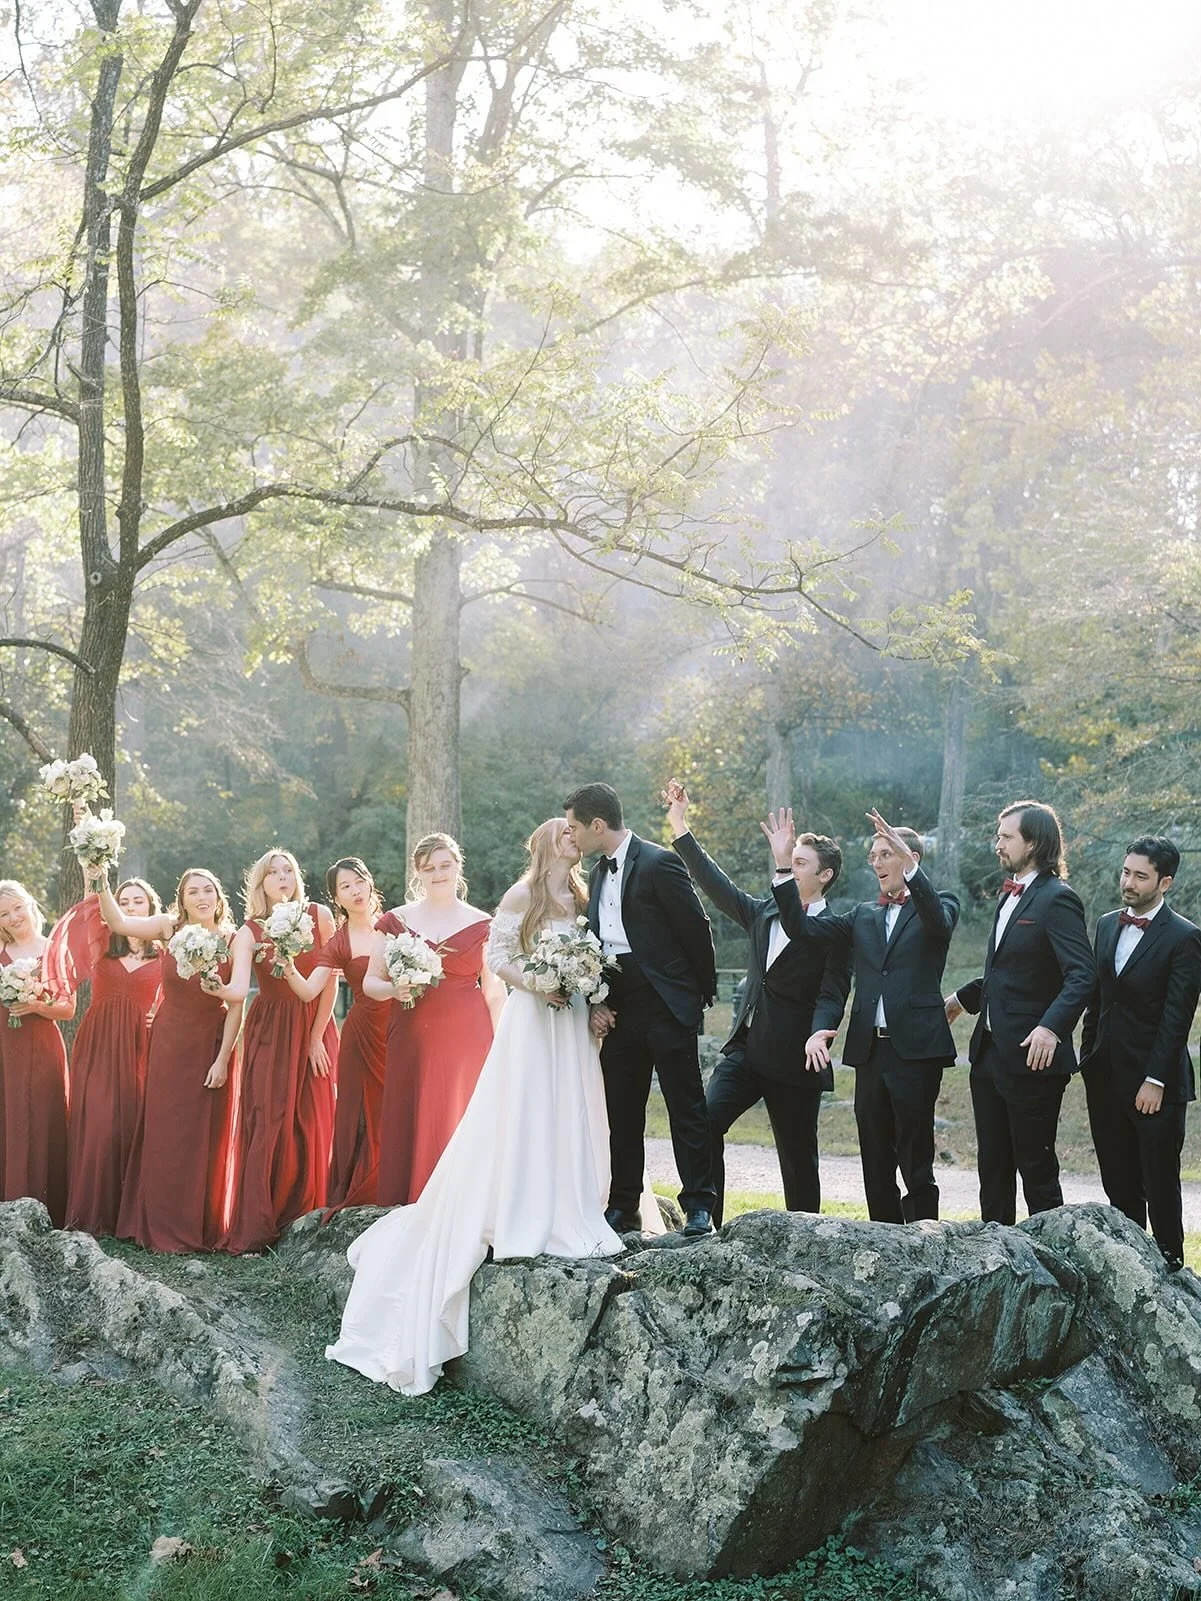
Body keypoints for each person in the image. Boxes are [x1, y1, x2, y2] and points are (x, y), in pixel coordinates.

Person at [327, 818, 626, 1394]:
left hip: (568, 1017)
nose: (573, 839)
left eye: (448, 864)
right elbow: (504, 959)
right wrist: (542, 984)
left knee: (571, 1107)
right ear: (543, 843)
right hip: (536, 1012)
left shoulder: (583, 893)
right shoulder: (522, 893)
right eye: (563, 833)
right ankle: (518, 1204)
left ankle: (571, 1199)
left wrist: (591, 994)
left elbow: (583, 956)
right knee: (521, 1115)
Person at [664, 780, 851, 1226]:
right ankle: (709, 1220)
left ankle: (806, 1239)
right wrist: (679, 824)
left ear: (824, 875)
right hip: (746, 1050)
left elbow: (832, 993)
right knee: (706, 1121)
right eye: (790, 859)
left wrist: (819, 1033)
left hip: (797, 1058)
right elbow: (716, 885)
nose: (789, 865)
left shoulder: (838, 930)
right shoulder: (764, 912)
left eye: (799, 862)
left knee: (797, 1158)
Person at [771, 810, 959, 1224]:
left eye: (885, 853)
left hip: (916, 1052)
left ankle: (925, 1240)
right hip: (870, 1052)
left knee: (916, 1158)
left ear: (909, 859)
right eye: (873, 854)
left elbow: (939, 926)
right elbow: (803, 930)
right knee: (875, 1157)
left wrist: (911, 867)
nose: (875, 862)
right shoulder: (862, 915)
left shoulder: (940, 904)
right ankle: (882, 1239)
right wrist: (785, 868)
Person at [565, 781, 717, 1236]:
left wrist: (696, 996)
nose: (572, 836)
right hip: (619, 1004)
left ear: (597, 825)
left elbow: (696, 931)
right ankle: (623, 1204)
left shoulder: (659, 862)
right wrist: (600, 1000)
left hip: (666, 1003)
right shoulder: (594, 875)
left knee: (685, 1105)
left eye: (575, 828)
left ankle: (698, 1207)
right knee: (622, 1109)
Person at [946, 800, 1096, 1224]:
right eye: (998, 836)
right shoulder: (1010, 895)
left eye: (1006, 836)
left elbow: (1082, 975)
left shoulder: (1058, 899)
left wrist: (1051, 1028)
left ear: (1034, 842)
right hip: (990, 1056)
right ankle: (998, 1269)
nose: (998, 844)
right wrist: (961, 1000)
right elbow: (1008, 974)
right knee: (992, 1171)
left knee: (1036, 1172)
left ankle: (1055, 1271)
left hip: (1034, 1059)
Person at [92, 866, 244, 1252]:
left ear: (218, 896)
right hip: (167, 1042)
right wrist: (101, 879)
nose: (201, 897)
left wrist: (223, 1059)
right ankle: (155, 1222)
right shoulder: (167, 928)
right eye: (192, 891)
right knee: (164, 1131)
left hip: (210, 1043)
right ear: (182, 899)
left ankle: (198, 1225)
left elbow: (237, 1002)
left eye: (208, 889)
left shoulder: (234, 937)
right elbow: (120, 921)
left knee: (201, 1135)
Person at [362, 833, 505, 1206]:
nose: (439, 873)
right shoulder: (395, 921)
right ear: (418, 873)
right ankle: (412, 1197)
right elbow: (370, 982)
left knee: (460, 1111)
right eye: (430, 868)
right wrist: (395, 990)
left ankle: (461, 1200)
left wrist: (502, 1044)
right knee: (415, 1110)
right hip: (411, 1032)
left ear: (458, 866)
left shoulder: (483, 924)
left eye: (446, 865)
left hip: (468, 1034)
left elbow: (492, 991)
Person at [1080, 836, 1201, 1272]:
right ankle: (1130, 1275)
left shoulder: (1186, 938)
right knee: (1120, 1185)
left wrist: (1155, 1080)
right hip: (1105, 1077)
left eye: (1140, 876)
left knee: (1161, 1186)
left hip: (1156, 1084)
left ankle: (1172, 1278)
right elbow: (1097, 999)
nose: (1128, 882)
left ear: (1164, 882)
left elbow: (1176, 1019)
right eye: (1125, 872)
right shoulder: (1108, 923)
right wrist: (1088, 1059)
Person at [222, 849, 339, 1253]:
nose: (283, 877)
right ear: (261, 884)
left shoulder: (319, 916)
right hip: (269, 1029)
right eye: (273, 873)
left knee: (311, 1118)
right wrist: (215, 987)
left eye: (288, 870)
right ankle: (261, 1223)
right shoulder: (248, 932)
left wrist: (315, 1038)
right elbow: (238, 989)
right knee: (268, 1118)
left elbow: (330, 983)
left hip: (313, 1026)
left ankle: (306, 1217)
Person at [282, 857, 390, 1207]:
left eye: (359, 881)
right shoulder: (338, 942)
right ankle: (360, 1190)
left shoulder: (397, 925)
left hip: (399, 1030)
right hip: (361, 1035)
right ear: (336, 899)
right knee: (361, 1112)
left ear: (370, 882)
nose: (355, 891)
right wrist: (286, 965)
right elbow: (309, 991)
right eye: (345, 887)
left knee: (397, 1105)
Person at [60, 878, 164, 1236]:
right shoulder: (101, 944)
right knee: (100, 1124)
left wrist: (161, 1015)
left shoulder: (165, 951)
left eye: (139, 901)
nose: (132, 907)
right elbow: (85, 916)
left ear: (151, 907)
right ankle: (91, 1212)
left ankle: (127, 1217)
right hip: (100, 1041)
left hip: (142, 1043)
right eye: (125, 901)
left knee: (131, 1123)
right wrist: (94, 870)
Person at [0, 879, 74, 1225]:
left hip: (43, 1044)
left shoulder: (54, 948)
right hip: (5, 1047)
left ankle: (47, 1207)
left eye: (17, 908)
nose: (13, 917)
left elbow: (68, 1008)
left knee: (44, 1117)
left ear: (31, 905)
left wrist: (34, 1006)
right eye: (4, 913)